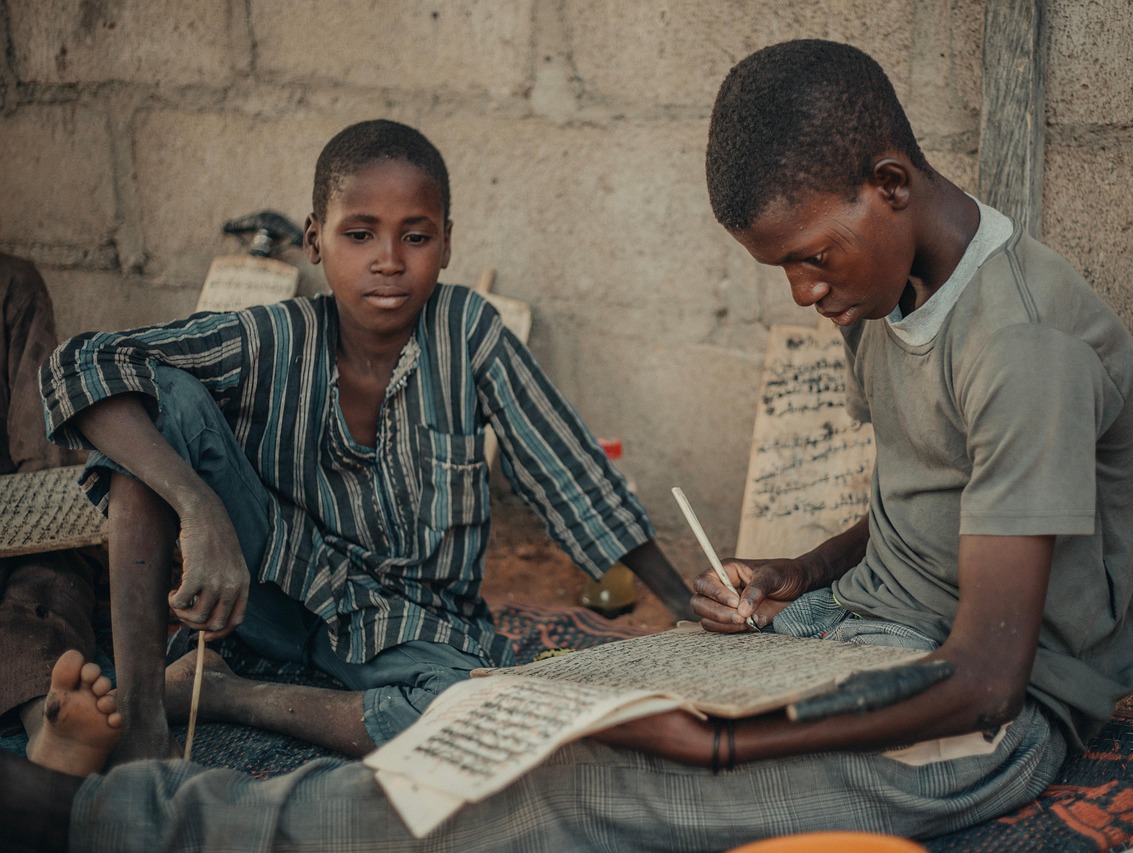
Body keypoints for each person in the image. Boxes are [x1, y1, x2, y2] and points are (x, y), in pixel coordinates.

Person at [1, 39, 1133, 852]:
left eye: (808, 259)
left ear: (888, 185)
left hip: (981, 714)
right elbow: (937, 491)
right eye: (783, 270)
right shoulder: (890, 282)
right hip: (833, 632)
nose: (803, 294)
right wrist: (802, 569)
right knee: (525, 710)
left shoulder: (1025, 347)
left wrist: (722, 750)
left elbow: (986, 674)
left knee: (555, 802)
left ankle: (112, 821)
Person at [35, 119, 693, 763]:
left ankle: (231, 695)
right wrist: (199, 507)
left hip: (412, 625)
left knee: (482, 706)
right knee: (162, 397)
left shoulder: (468, 333)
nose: (388, 260)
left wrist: (687, 605)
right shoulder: (273, 337)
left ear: (448, 243)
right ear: (317, 241)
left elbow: (570, 473)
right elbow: (82, 363)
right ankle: (145, 722)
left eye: (416, 236)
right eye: (360, 234)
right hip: (267, 593)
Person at [0, 252, 102, 764]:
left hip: (10, 523)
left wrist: (30, 518)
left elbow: (40, 456)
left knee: (46, 582)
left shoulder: (11, 284)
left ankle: (49, 719)